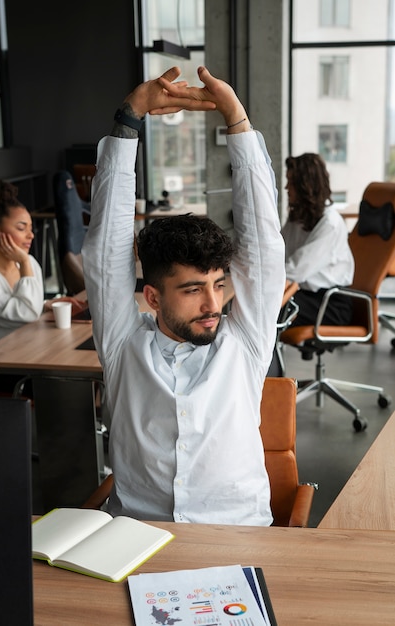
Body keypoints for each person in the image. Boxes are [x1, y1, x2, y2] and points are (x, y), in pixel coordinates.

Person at [81, 66, 285, 525]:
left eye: (218, 285)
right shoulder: (122, 345)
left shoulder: (245, 344)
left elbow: (264, 249)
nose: (213, 305)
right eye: (193, 290)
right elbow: (106, 250)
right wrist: (128, 120)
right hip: (138, 539)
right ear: (151, 297)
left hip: (238, 537)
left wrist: (236, 119)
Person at [0, 179, 85, 348]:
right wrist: (23, 261)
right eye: (21, 228)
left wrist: (44, 306)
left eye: (30, 228)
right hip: (0, 355)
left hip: (32, 343)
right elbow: (26, 313)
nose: (31, 235)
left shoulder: (28, 263)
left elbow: (22, 309)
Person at [281, 153, 354, 327]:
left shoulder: (330, 224)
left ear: (305, 186)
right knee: (262, 307)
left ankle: (270, 355)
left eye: (290, 182)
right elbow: (277, 252)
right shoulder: (298, 217)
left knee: (269, 312)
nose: (286, 187)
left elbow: (295, 270)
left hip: (331, 303)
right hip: (306, 295)